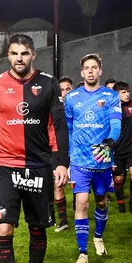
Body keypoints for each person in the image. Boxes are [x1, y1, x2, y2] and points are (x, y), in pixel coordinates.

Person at [0, 33, 69, 263]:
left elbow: (61, 125)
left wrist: (61, 163)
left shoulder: (49, 84)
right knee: (3, 229)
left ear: (33, 55)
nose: (19, 58)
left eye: (25, 53)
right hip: (6, 166)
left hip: (39, 166)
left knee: (37, 228)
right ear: (8, 55)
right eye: (14, 53)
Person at [63, 54, 121, 263]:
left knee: (102, 202)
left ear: (100, 71)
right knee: (81, 204)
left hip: (102, 156)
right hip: (79, 159)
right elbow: (68, 129)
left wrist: (110, 140)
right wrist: (68, 155)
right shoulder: (72, 98)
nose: (90, 71)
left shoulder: (111, 96)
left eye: (94, 67)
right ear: (81, 72)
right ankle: (82, 253)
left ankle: (98, 236)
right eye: (86, 68)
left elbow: (116, 123)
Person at [112, 81, 132, 214]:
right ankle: (121, 204)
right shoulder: (111, 108)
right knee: (118, 179)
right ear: (116, 94)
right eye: (123, 92)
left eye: (128, 91)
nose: (127, 94)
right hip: (117, 151)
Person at [54, 77, 74, 231]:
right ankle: (63, 221)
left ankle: (77, 209)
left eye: (68, 89)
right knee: (58, 185)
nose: (65, 92)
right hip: (59, 152)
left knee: (79, 187)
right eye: (62, 89)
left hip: (77, 151)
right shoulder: (53, 108)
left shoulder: (78, 106)